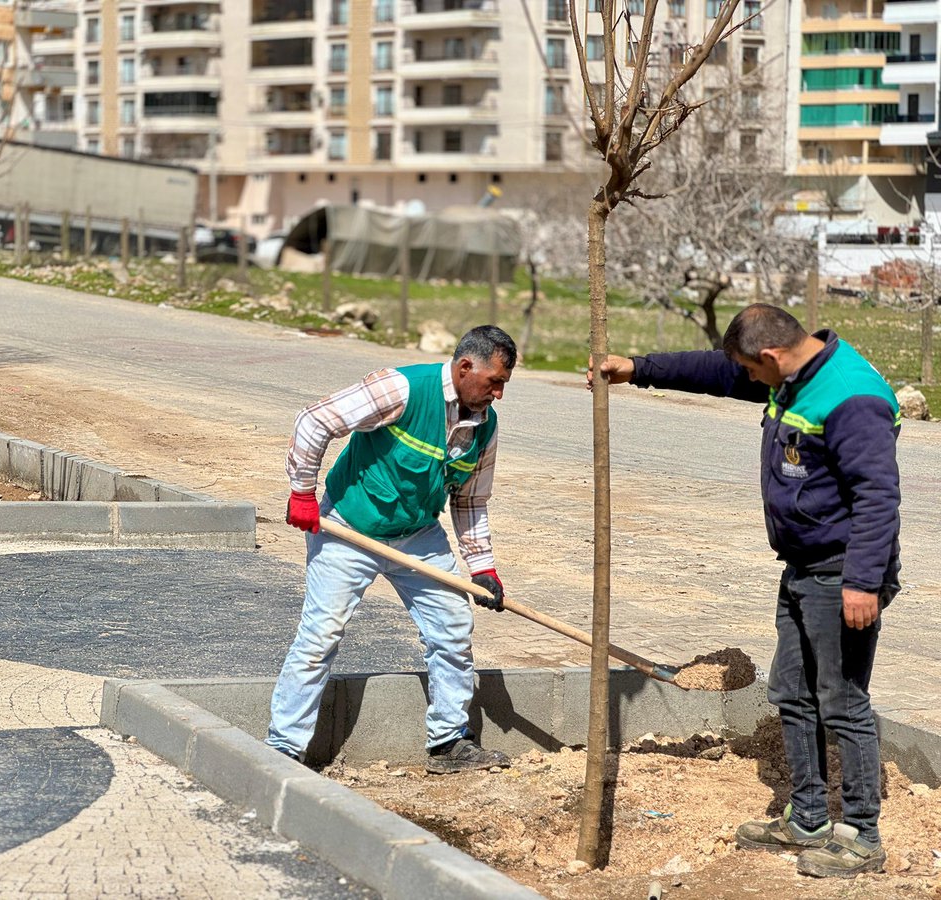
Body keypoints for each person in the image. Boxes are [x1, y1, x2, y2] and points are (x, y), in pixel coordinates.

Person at [591, 303, 900, 878]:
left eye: (754, 372)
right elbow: (721, 372)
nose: (750, 383)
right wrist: (637, 367)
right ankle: (807, 815)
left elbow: (879, 498)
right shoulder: (795, 370)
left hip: (843, 574)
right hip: (805, 568)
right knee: (792, 690)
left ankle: (862, 835)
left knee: (843, 700)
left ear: (772, 356)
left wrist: (862, 583)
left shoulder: (851, 398)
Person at [267, 325, 517, 775]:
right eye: (494, 381)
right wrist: (302, 491)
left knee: (452, 630)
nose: (498, 394)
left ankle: (448, 743)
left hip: (418, 534)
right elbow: (315, 420)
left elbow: (469, 499)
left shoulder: (485, 426)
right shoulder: (400, 388)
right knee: (320, 636)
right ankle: (284, 747)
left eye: (503, 384)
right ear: (464, 367)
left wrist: (483, 568)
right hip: (348, 527)